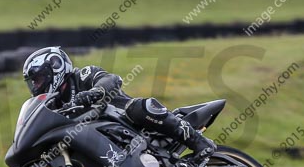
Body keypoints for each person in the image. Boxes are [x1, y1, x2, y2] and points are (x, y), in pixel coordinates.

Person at [21, 46, 215, 159]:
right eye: (33, 83)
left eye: (38, 79)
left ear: (54, 67)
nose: (36, 86)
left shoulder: (82, 75)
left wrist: (94, 92)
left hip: (130, 122)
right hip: (103, 143)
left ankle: (200, 143)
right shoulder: (54, 104)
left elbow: (111, 79)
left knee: (139, 108)